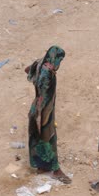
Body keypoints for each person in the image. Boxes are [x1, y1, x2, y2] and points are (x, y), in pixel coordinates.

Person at [25, 45, 71, 184]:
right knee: (49, 138)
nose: (59, 64)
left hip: (36, 108)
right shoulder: (47, 73)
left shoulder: (40, 63)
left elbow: (27, 70)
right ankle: (55, 170)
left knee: (37, 138)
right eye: (59, 60)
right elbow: (43, 93)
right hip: (43, 111)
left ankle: (41, 166)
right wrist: (41, 116)